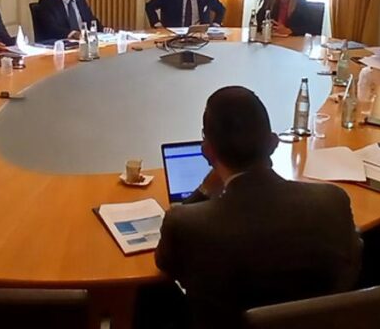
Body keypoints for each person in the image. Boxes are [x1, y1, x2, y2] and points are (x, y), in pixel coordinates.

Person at [155, 86, 362, 328]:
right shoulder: (332, 201)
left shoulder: (186, 223)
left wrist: (204, 190)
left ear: (207, 151)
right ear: (273, 143)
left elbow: (165, 263)